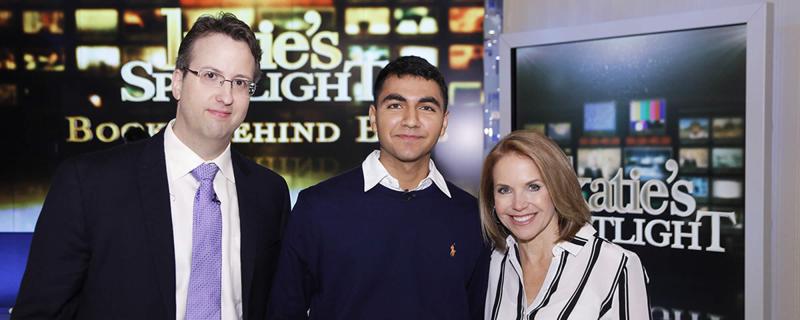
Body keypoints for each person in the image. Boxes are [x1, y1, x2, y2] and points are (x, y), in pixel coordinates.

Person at [13, 13, 290, 320]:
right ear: (177, 82)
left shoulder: (269, 193)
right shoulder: (89, 184)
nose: (225, 96)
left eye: (240, 82)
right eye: (210, 75)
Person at [267, 56, 489, 319]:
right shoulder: (317, 207)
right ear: (373, 117)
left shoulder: (470, 216)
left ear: (444, 122)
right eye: (395, 105)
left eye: (427, 108)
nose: (411, 120)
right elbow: (284, 311)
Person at [480, 130, 650, 320]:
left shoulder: (616, 266)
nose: (518, 204)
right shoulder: (496, 261)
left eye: (533, 187)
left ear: (557, 187)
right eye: (504, 190)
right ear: (492, 199)